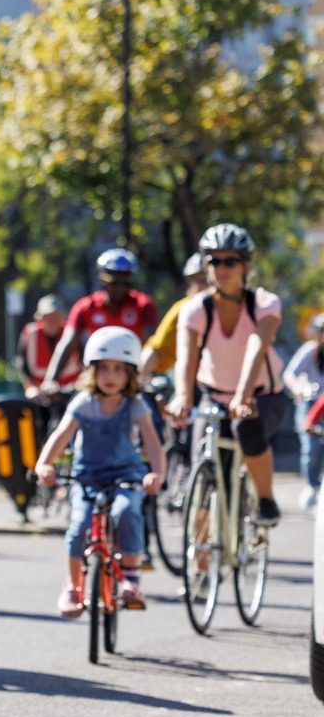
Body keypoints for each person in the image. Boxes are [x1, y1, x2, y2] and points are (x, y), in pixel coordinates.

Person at [34, 327, 165, 617]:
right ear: (92, 371)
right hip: (87, 477)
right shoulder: (84, 402)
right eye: (103, 368)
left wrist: (156, 473)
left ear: (130, 374)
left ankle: (132, 580)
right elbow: (61, 435)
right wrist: (45, 463)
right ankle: (73, 586)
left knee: (126, 512)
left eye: (119, 369)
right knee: (79, 525)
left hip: (126, 477)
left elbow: (154, 446)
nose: (110, 376)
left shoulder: (135, 405)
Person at [165, 223, 288, 526]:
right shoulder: (194, 309)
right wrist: (182, 397)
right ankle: (201, 557)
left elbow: (256, 349)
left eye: (230, 260)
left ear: (246, 265)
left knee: (245, 428)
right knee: (203, 463)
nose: (221, 268)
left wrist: (244, 397)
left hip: (262, 394)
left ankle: (265, 499)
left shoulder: (264, 303)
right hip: (214, 396)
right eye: (213, 260)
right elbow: (186, 357)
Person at [41, 248, 159, 394]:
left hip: (134, 379)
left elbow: (151, 346)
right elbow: (68, 343)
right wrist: (51, 380)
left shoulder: (144, 305)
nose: (120, 287)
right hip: (96, 378)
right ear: (102, 278)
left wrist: (148, 376)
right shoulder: (85, 307)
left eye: (125, 280)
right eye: (114, 280)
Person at [139, 253, 208, 379]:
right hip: (196, 387)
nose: (203, 285)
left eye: (207, 279)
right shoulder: (183, 309)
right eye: (198, 279)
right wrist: (135, 383)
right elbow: (158, 350)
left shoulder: (247, 306)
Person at [283, 313, 324, 510]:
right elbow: (290, 374)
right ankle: (312, 485)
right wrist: (299, 388)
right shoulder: (310, 352)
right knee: (312, 447)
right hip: (311, 403)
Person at [18, 294, 81, 400]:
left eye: (56, 317)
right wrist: (30, 388)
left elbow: (83, 363)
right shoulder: (29, 333)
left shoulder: (71, 333)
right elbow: (21, 363)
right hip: (38, 393)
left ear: (62, 317)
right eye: (48, 317)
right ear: (40, 317)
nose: (52, 321)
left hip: (69, 392)